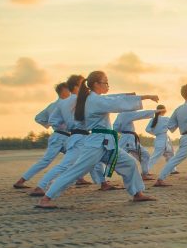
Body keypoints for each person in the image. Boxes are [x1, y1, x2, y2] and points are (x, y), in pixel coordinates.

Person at [36, 70, 158, 208]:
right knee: (76, 170)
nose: (108, 85)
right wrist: (145, 97)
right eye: (105, 82)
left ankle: (137, 193)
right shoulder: (94, 100)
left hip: (106, 142)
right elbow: (115, 103)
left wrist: (134, 96)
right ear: (96, 84)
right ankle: (46, 199)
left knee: (129, 163)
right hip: (96, 143)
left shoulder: (93, 98)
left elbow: (112, 99)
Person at [28, 75, 109, 197]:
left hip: (76, 136)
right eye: (83, 84)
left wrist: (66, 126)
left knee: (95, 161)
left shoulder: (63, 103)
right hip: (81, 137)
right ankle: (41, 187)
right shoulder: (81, 99)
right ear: (77, 86)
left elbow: (53, 120)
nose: (87, 86)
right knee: (66, 165)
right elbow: (106, 100)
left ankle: (103, 183)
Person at [13, 82, 72, 189]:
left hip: (64, 137)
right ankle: (20, 181)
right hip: (60, 136)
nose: (71, 92)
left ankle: (80, 178)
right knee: (46, 161)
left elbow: (38, 118)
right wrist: (51, 124)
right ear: (63, 91)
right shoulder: (60, 105)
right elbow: (38, 118)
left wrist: (48, 124)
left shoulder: (53, 105)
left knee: (75, 156)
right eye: (69, 90)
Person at [114, 109, 156, 180]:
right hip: (127, 138)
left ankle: (144, 173)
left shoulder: (120, 115)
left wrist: (123, 132)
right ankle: (104, 179)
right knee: (115, 158)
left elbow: (115, 128)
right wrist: (155, 111)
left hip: (128, 138)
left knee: (144, 155)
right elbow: (140, 114)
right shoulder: (126, 113)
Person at [145, 105, 178, 174]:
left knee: (170, 154)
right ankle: (145, 171)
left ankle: (173, 170)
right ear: (163, 110)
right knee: (156, 156)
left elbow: (147, 129)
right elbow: (172, 127)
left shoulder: (153, 119)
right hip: (163, 138)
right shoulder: (165, 119)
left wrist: (155, 133)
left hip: (158, 138)